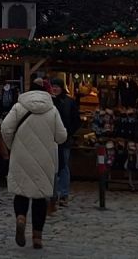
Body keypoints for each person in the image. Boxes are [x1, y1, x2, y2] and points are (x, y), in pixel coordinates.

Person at [2, 80, 68, 250]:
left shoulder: (19, 107)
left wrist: (13, 146)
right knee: (40, 197)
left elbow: (6, 128)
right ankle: (37, 237)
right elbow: (61, 136)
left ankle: (21, 218)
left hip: (21, 156)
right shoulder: (52, 110)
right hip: (44, 158)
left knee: (21, 192)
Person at [48, 78, 81, 207]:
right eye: (53, 86)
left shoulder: (69, 102)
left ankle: (63, 193)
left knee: (63, 167)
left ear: (62, 88)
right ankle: (52, 193)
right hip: (50, 140)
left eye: (57, 86)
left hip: (65, 140)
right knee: (51, 167)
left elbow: (76, 121)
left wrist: (68, 133)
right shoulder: (48, 102)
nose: (55, 89)